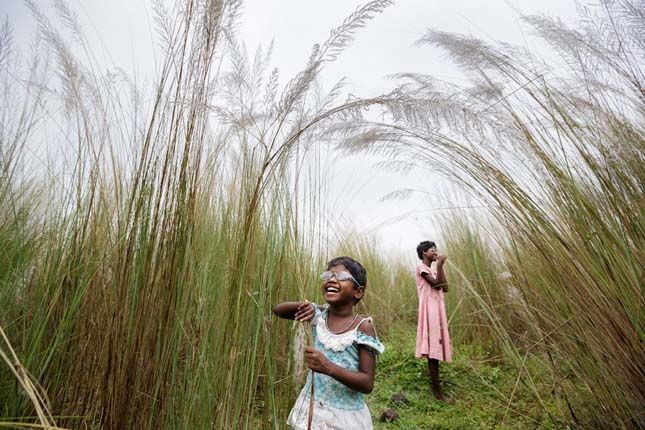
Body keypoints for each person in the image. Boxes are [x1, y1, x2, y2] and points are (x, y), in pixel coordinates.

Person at [273, 256, 384, 429]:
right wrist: (306, 305)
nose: (331, 279)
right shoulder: (318, 316)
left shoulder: (363, 327)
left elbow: (367, 383)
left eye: (341, 276)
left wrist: (329, 367)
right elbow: (278, 310)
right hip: (313, 407)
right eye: (328, 275)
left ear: (358, 291)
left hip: (343, 416)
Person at [415, 240, 452, 402]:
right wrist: (440, 266)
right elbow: (436, 285)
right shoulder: (421, 268)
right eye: (432, 250)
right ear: (424, 252)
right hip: (429, 311)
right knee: (432, 351)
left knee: (435, 349)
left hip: (437, 311)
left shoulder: (434, 270)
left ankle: (437, 389)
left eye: (436, 249)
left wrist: (440, 268)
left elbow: (445, 287)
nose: (435, 252)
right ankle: (437, 392)